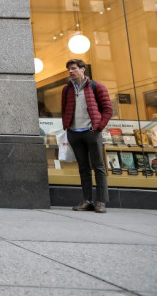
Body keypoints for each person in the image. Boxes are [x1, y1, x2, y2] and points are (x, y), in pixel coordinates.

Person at [61, 58, 112, 213]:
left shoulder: (97, 87)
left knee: (98, 167)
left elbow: (108, 110)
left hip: (91, 132)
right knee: (83, 168)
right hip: (74, 133)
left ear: (83, 69)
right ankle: (87, 201)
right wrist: (67, 127)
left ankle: (101, 201)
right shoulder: (67, 89)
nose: (71, 71)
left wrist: (97, 127)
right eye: (69, 69)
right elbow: (64, 109)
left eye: (74, 68)